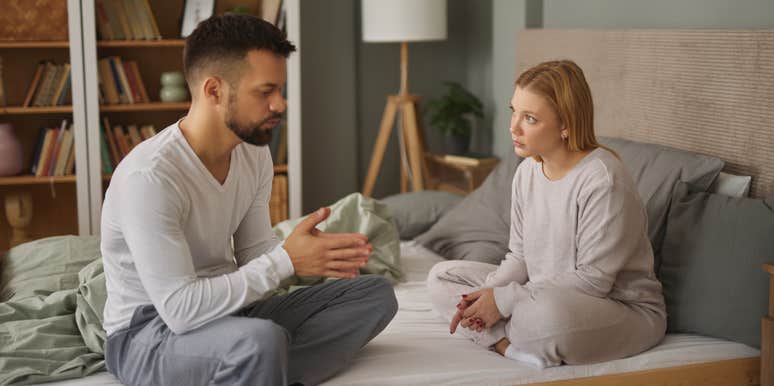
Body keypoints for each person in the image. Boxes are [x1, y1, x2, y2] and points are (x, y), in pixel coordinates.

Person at [100, 14, 397, 386]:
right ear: (214, 91)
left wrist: (306, 259)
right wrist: (286, 259)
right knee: (260, 342)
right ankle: (259, 362)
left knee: (375, 295)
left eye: (280, 91)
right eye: (265, 92)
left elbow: (256, 255)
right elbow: (179, 311)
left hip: (232, 313)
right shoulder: (150, 177)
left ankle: (257, 368)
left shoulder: (252, 150)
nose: (280, 104)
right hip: (149, 332)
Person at [427, 60, 666, 367]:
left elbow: (594, 282)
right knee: (442, 278)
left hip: (616, 308)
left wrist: (503, 301)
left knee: (546, 318)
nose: (513, 127)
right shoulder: (527, 172)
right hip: (537, 294)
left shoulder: (603, 179)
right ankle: (504, 344)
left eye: (530, 118)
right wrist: (488, 295)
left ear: (565, 124)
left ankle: (507, 333)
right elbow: (520, 256)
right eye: (514, 111)